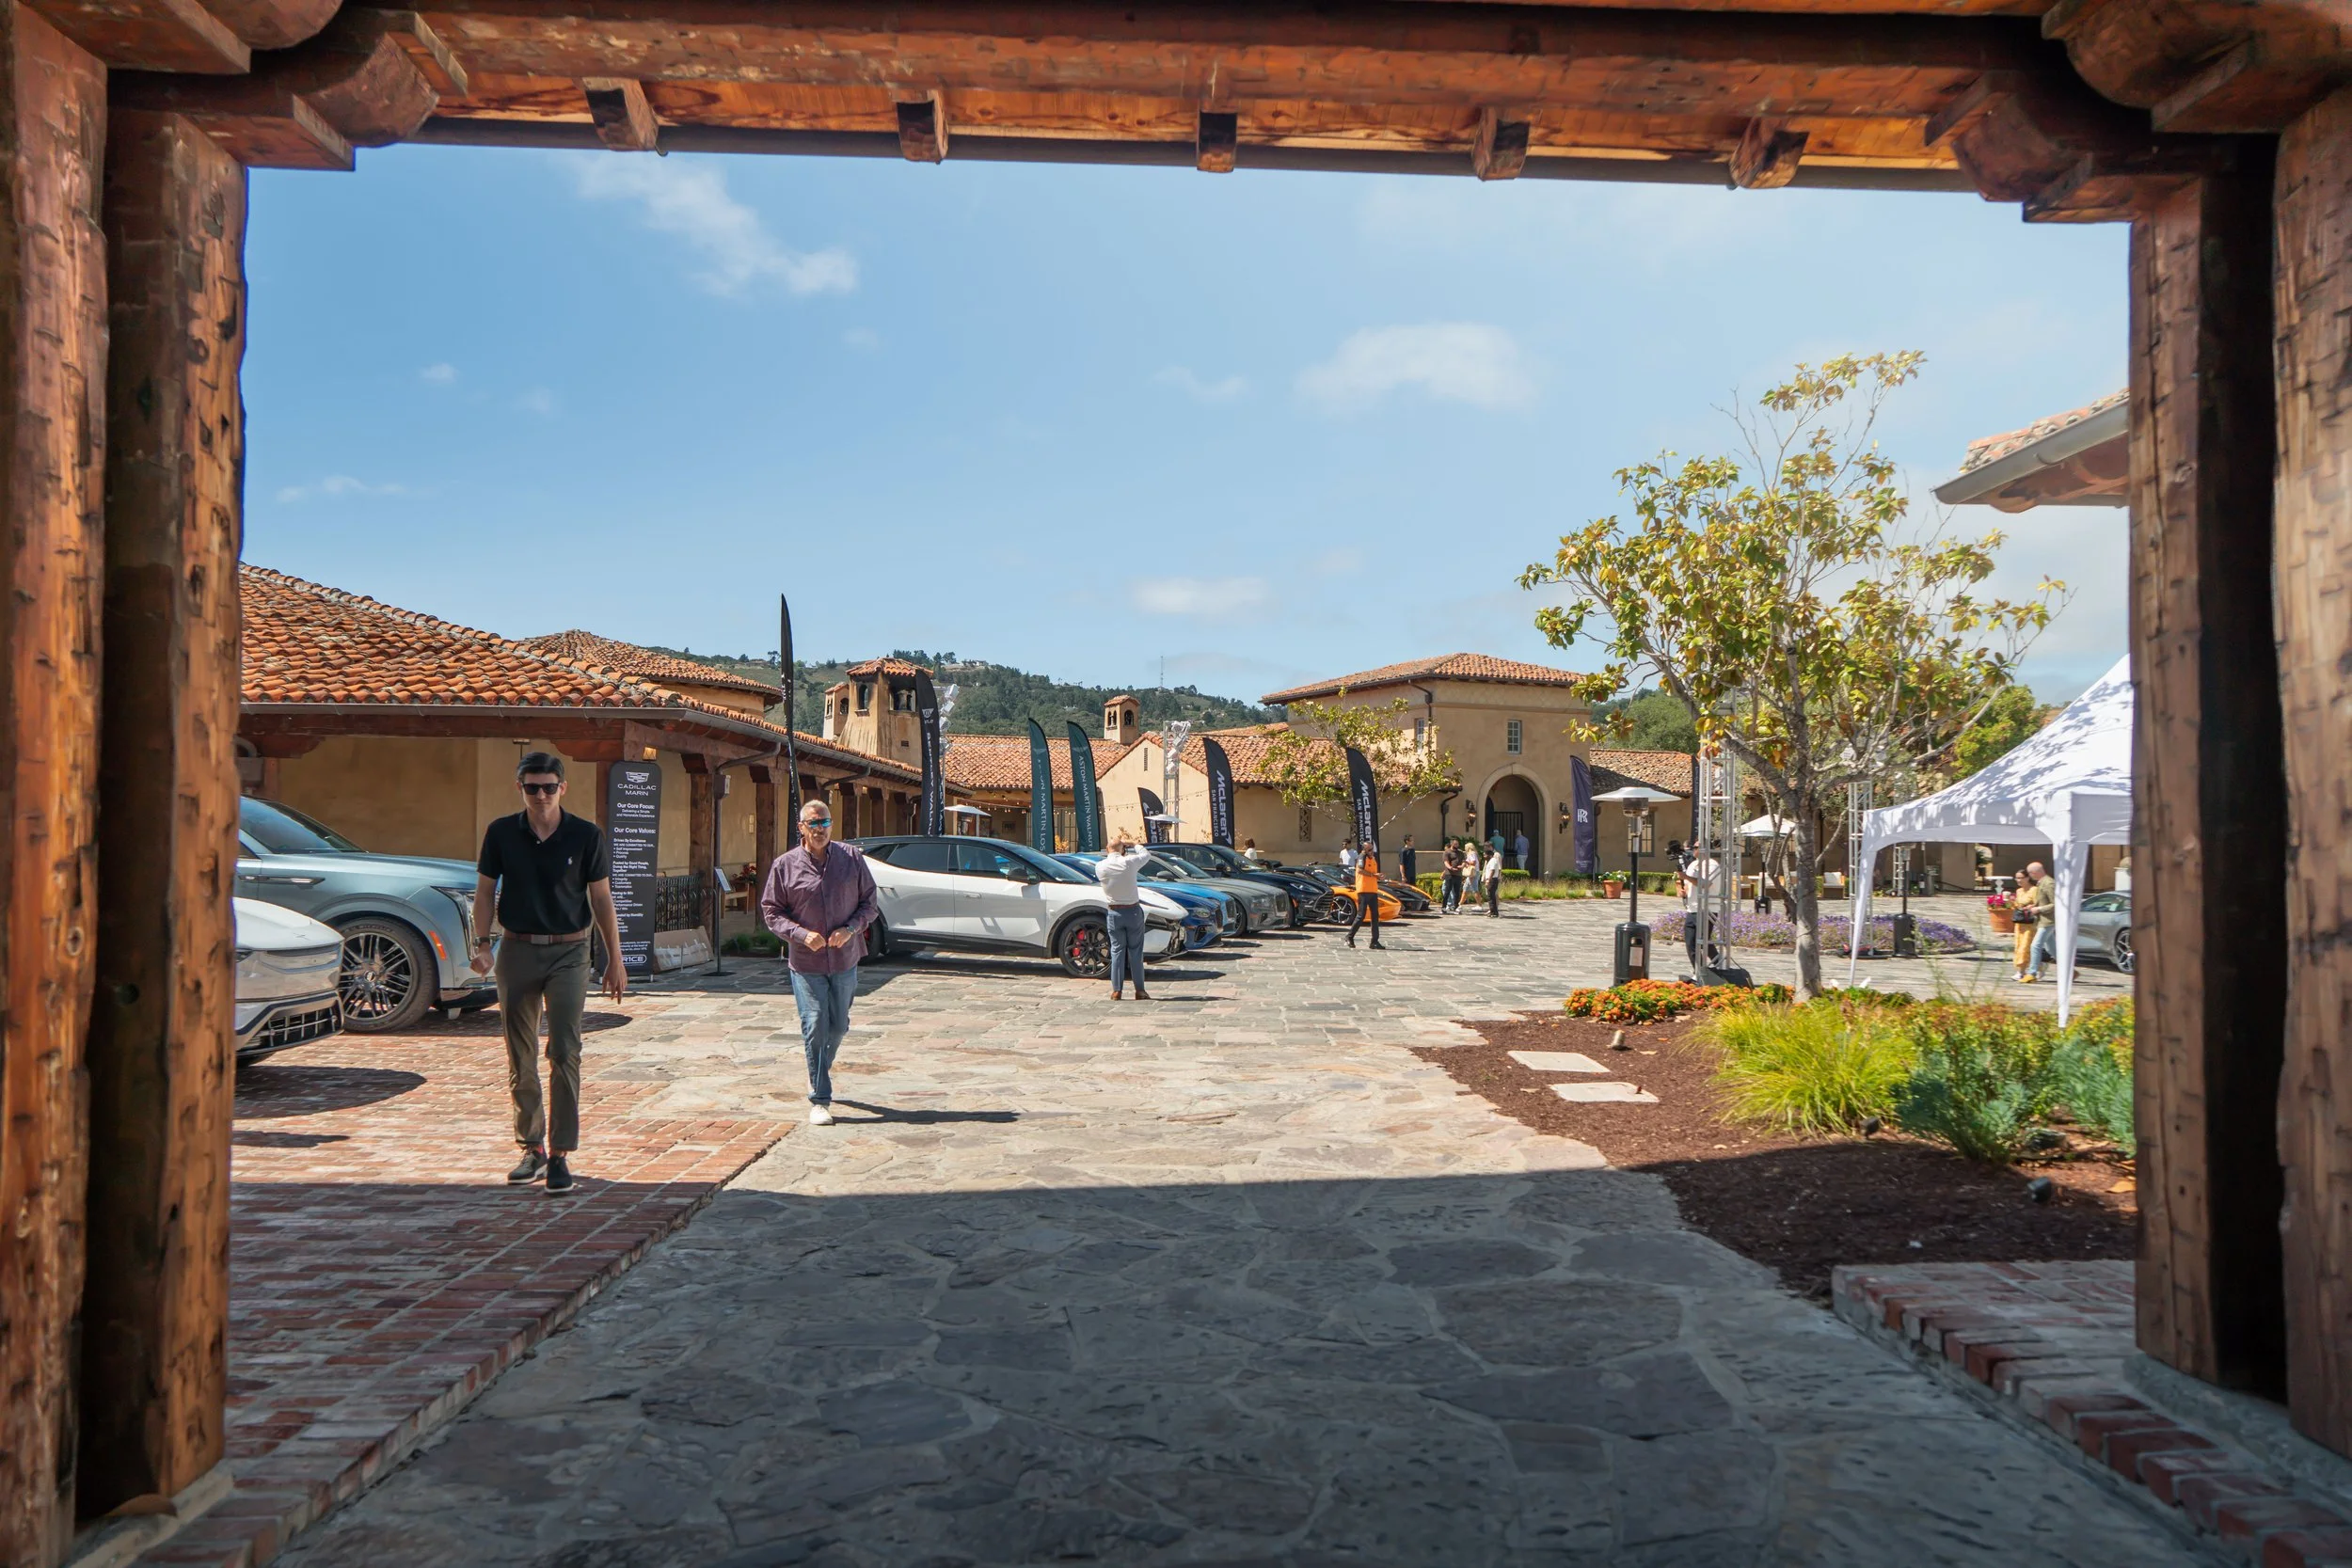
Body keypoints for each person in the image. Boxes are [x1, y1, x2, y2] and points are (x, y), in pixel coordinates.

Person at [469, 752, 628, 1196]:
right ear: (520, 788)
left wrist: (614, 958)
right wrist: (482, 944)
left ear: (563, 788)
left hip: (570, 952)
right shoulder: (502, 832)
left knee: (564, 1051)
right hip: (517, 950)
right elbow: (485, 892)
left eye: (549, 787)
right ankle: (531, 1147)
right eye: (532, 787)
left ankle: (560, 1154)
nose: (541, 795)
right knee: (519, 1057)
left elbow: (601, 899)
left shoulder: (585, 835)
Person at [759, 798, 880, 1125]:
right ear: (801, 827)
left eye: (825, 822)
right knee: (814, 1025)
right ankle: (819, 1099)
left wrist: (851, 929)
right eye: (813, 823)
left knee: (838, 1025)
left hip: (844, 959)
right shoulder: (784, 866)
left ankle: (819, 1069)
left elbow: (870, 903)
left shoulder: (851, 859)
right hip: (806, 963)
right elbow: (771, 910)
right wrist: (799, 934)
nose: (820, 829)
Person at [1096, 830, 1154, 1001]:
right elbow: (1146, 855)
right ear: (1123, 849)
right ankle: (1140, 990)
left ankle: (1116, 990)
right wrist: (1134, 844)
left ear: (1107, 849)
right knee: (1136, 951)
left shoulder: (1100, 866)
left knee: (1116, 951)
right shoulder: (1129, 862)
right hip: (1133, 910)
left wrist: (1120, 846)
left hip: (1114, 911)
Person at [2009, 863, 2046, 982]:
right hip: (2019, 923)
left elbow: (2038, 903)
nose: (2018, 880)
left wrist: (2029, 906)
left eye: (2021, 877)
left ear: (2028, 878)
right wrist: (2010, 901)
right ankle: (2039, 966)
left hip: (2030, 923)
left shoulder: (2034, 890)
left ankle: (2021, 971)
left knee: (2025, 947)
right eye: (2017, 878)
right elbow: (2016, 906)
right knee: (2019, 946)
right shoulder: (2019, 891)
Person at [1345, 845, 1385, 949]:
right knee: (1361, 915)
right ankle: (1349, 937)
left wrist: (1378, 876)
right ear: (1364, 850)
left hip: (1373, 890)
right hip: (1363, 890)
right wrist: (1374, 875)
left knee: (1375, 916)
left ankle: (1374, 941)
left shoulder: (1373, 859)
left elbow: (1373, 873)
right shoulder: (1361, 857)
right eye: (1370, 850)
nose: (1372, 851)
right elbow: (1360, 871)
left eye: (1373, 849)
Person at [1439, 838, 1465, 914]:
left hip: (1458, 874)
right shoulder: (1447, 852)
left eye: (1458, 844)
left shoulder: (1460, 853)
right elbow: (1446, 862)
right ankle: (1444, 907)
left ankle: (1456, 907)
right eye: (1455, 844)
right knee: (1447, 891)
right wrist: (1450, 868)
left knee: (1457, 892)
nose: (1457, 845)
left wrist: (1462, 866)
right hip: (1450, 874)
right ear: (1452, 844)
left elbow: (1464, 861)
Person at [1481, 840, 1505, 917]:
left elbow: (1497, 868)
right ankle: (1492, 909)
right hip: (1489, 877)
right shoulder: (1488, 857)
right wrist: (1484, 877)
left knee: (1493, 894)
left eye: (1486, 847)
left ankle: (1494, 910)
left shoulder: (1496, 855)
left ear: (1490, 847)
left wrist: (1497, 877)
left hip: (1493, 878)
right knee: (1490, 894)